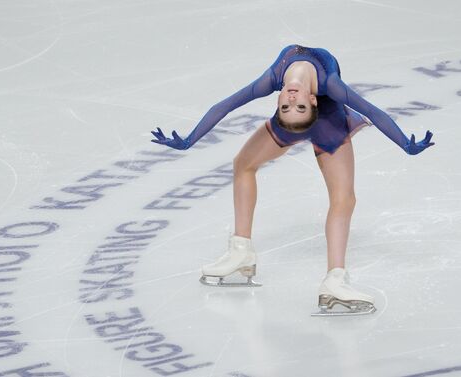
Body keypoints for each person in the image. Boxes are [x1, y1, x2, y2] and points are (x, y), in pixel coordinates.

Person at [151, 44, 435, 316]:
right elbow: (226, 106)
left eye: (290, 106)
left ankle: (330, 278)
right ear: (309, 101)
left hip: (325, 121)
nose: (291, 101)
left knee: (339, 196)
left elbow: (227, 104)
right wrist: (190, 141)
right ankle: (242, 253)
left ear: (307, 100)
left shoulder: (285, 81)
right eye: (293, 106)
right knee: (248, 166)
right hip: (315, 125)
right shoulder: (315, 88)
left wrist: (190, 140)